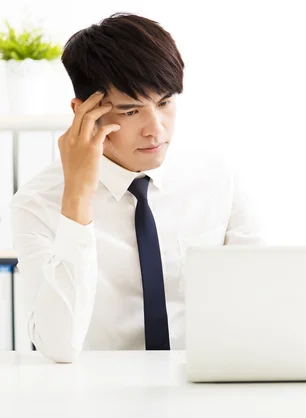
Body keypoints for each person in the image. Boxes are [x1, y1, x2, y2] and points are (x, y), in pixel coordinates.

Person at [10, 13, 262, 363]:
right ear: (83, 111)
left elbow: (263, 303)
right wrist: (78, 197)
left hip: (205, 385)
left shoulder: (220, 179)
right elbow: (58, 344)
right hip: (96, 400)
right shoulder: (38, 203)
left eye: (165, 103)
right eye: (130, 112)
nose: (155, 130)